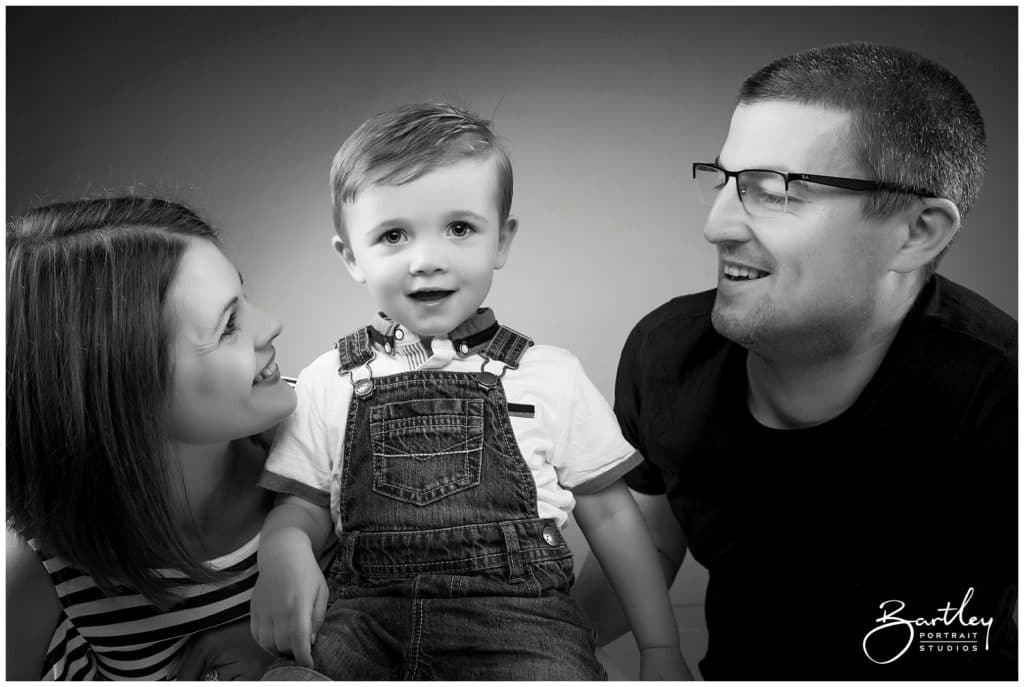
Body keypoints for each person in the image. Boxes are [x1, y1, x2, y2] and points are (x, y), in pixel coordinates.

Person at [574, 42, 1017, 680]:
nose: (716, 225)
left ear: (917, 232)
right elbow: (647, 547)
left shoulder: (1004, 398)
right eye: (726, 181)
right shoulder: (666, 352)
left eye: (775, 191)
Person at [251, 101, 691, 680]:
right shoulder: (327, 378)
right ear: (351, 257)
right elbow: (300, 505)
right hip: (366, 620)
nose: (427, 260)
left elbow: (612, 518)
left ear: (502, 242)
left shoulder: (550, 374)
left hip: (521, 620)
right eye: (393, 235)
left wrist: (661, 646)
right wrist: (282, 552)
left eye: (460, 229)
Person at [6, 197, 298, 680]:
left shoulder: (343, 442)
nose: (271, 324)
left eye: (243, 297)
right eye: (229, 325)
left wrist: (292, 646)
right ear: (124, 391)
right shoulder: (34, 568)